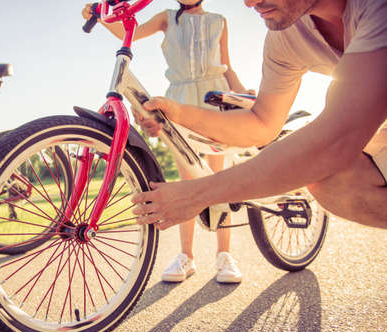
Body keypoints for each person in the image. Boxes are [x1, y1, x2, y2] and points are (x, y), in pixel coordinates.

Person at [131, 0, 387, 231]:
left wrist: (197, 195)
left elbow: (336, 141)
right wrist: (178, 113)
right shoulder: (287, 35)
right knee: (334, 184)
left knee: (328, 160)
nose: (249, 2)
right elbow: (262, 123)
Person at [82, 0, 254, 283]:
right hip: (180, 101)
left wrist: (242, 93)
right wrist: (99, 16)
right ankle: (186, 256)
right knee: (188, 178)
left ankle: (224, 255)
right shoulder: (167, 19)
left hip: (215, 97)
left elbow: (227, 68)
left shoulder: (219, 21)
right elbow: (131, 33)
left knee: (220, 176)